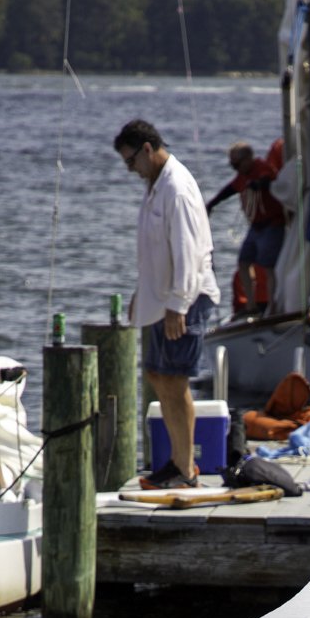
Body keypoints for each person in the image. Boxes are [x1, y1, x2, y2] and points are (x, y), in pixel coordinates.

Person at [115, 118, 220, 490]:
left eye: (131, 161)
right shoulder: (155, 185)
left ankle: (185, 467)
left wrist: (178, 306)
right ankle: (178, 462)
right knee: (159, 376)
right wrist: (140, 295)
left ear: (147, 149)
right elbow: (154, 252)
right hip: (161, 298)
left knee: (175, 381)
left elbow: (190, 253)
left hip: (186, 299)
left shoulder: (177, 187)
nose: (131, 170)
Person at [206, 141, 286, 314]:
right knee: (243, 262)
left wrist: (258, 185)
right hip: (255, 227)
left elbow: (269, 180)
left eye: (236, 164)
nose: (235, 169)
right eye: (232, 166)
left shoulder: (261, 167)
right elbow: (230, 190)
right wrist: (211, 204)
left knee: (268, 267)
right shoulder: (243, 175)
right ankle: (251, 305)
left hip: (272, 225)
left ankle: (272, 307)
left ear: (248, 159)